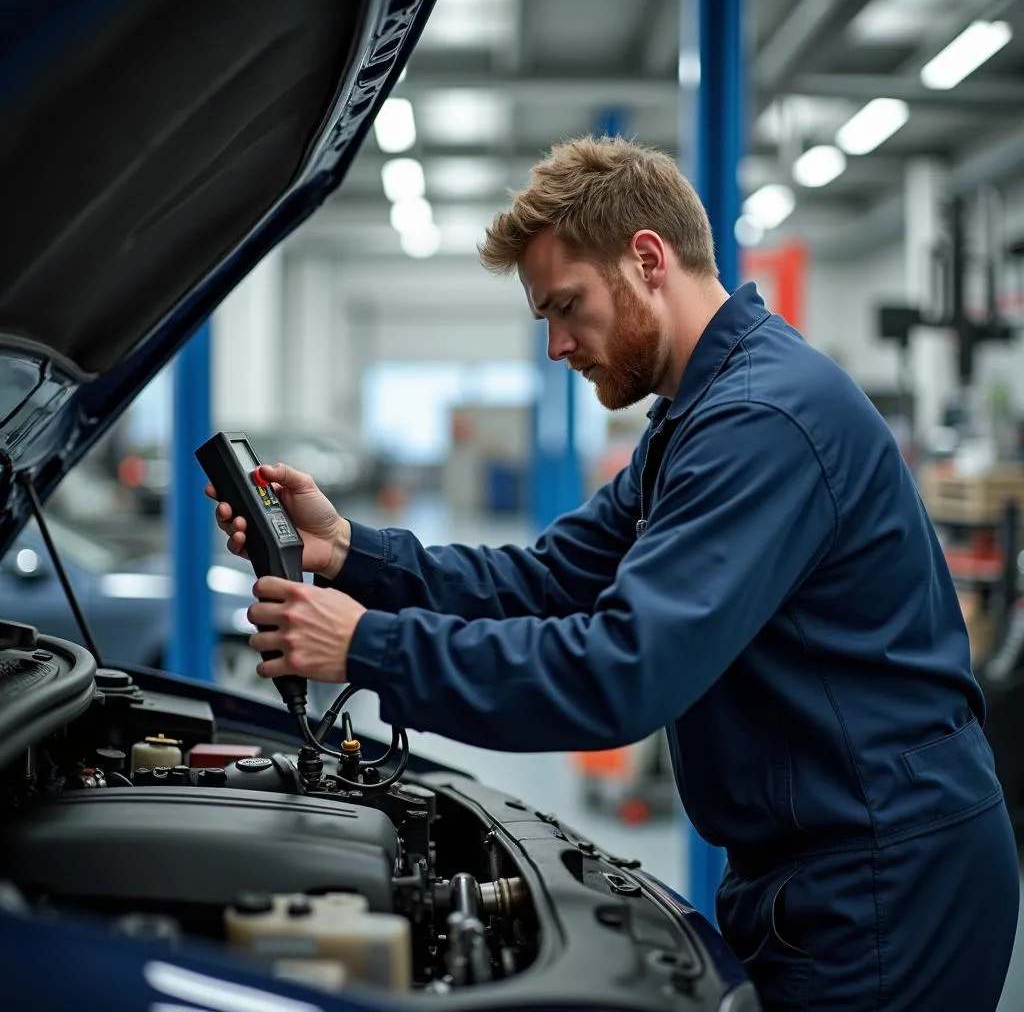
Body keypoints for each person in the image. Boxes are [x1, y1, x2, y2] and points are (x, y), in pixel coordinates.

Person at [206, 136, 1019, 1010]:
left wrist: (369, 647)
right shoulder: (695, 416)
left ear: (646, 260)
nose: (556, 346)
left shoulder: (761, 421)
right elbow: (551, 580)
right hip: (820, 868)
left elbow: (624, 671)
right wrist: (352, 553)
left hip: (882, 882)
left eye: (567, 307)